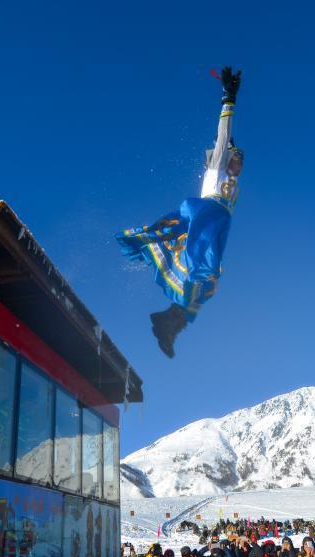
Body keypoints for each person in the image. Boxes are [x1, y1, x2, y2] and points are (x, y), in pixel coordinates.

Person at [116, 66, 244, 358]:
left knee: (207, 284)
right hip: (208, 215)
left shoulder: (234, 182)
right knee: (205, 271)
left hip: (219, 225)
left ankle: (170, 321)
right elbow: (223, 137)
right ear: (227, 157)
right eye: (237, 158)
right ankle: (170, 320)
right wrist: (229, 99)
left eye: (240, 160)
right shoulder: (217, 168)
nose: (240, 164)